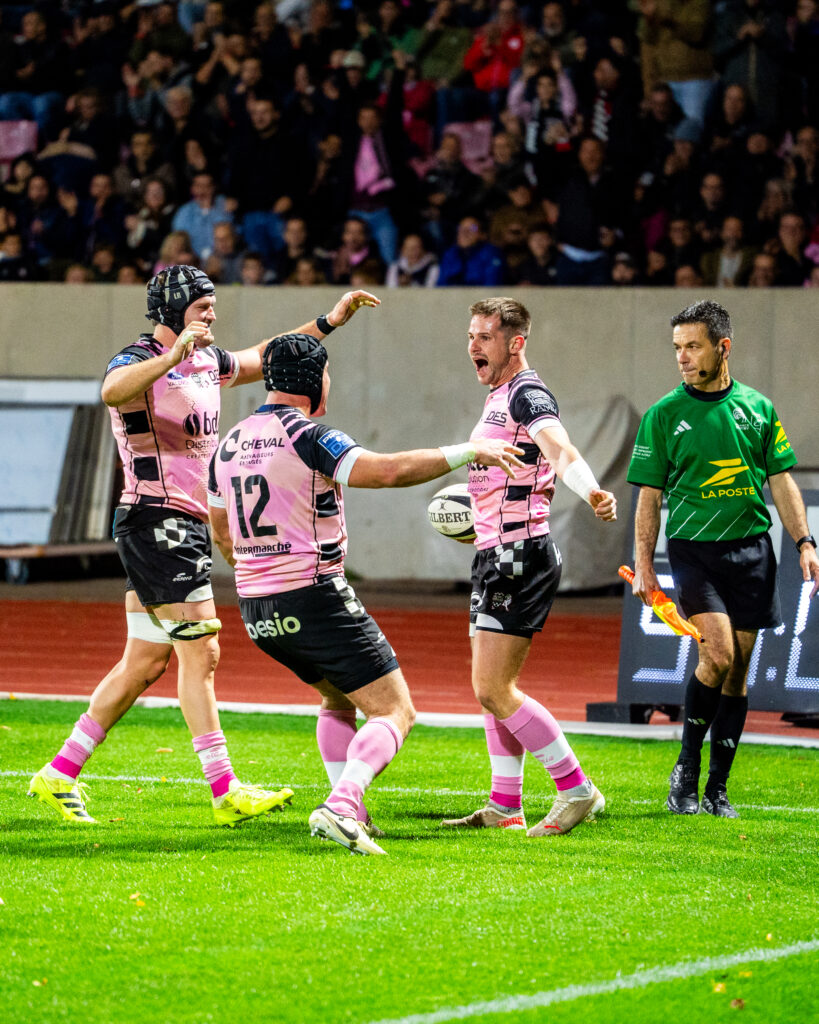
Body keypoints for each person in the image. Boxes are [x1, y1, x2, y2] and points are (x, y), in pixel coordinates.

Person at [27, 266, 378, 827]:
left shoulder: (208, 361)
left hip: (179, 526)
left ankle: (59, 772)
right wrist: (172, 356)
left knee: (144, 662)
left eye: (213, 304)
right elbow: (111, 391)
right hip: (157, 521)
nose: (212, 313)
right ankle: (224, 789)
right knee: (202, 653)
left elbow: (268, 356)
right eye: (201, 305)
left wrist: (328, 322)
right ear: (172, 311)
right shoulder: (139, 358)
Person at [208, 331, 525, 855]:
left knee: (337, 697)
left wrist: (262, 579)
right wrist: (470, 451)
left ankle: (351, 810)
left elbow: (221, 532)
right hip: (313, 595)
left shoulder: (228, 444)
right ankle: (341, 805)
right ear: (315, 380)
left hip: (255, 606)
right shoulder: (309, 436)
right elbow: (388, 471)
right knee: (395, 711)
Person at [626, 300, 819, 818]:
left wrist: (804, 541)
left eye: (693, 346)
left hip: (752, 553)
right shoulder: (663, 416)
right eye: (677, 348)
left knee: (737, 675)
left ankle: (717, 789)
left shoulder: (758, 408)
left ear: (722, 347)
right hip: (695, 554)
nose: (682, 357)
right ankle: (686, 771)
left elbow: (782, 481)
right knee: (719, 657)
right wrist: (645, 564)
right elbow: (648, 497)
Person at [440, 297, 617, 837]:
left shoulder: (526, 392)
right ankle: (504, 805)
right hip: (493, 554)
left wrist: (589, 490)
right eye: (470, 336)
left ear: (515, 342)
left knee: (494, 688)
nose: (473, 346)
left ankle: (577, 789)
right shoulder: (498, 396)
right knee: (488, 689)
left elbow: (559, 449)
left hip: (519, 557)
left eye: (485, 337)